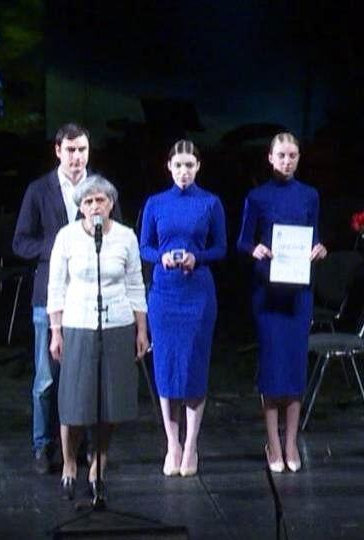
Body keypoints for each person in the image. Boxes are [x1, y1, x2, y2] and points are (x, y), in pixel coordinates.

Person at [46, 175, 149, 500]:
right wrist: (56, 331)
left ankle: (99, 464)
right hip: (78, 324)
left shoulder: (126, 237)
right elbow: (56, 287)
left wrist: (141, 329)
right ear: (80, 207)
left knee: (109, 402)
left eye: (100, 200)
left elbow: (135, 285)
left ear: (111, 204)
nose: (94, 207)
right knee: (75, 401)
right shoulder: (67, 237)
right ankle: (69, 463)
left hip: (117, 324)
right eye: (88, 202)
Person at [236, 132, 327, 473]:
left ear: (299, 158)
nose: (287, 161)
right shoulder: (257, 196)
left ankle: (291, 442)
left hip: (299, 293)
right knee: (273, 368)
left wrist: (320, 249)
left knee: (295, 367)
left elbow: (315, 236)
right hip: (268, 292)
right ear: (270, 158)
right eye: (281, 155)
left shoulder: (310, 195)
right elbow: (242, 241)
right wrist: (254, 249)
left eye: (292, 156)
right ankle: (273, 443)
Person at [139, 140, 227, 477]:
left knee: (193, 366)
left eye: (189, 165)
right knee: (166, 368)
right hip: (164, 294)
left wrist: (197, 257)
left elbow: (220, 247)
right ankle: (172, 444)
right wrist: (160, 257)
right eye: (178, 165)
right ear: (169, 167)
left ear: (198, 166)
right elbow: (144, 246)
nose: (184, 171)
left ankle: (191, 446)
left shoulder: (210, 202)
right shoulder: (155, 203)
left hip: (197, 294)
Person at [13, 123, 91, 474]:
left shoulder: (98, 189)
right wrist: (58, 248)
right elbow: (20, 242)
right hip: (49, 296)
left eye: (82, 150)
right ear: (58, 151)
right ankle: (43, 444)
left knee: (84, 376)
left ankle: (81, 444)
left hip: (87, 297)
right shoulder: (39, 190)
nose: (77, 157)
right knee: (46, 378)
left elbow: (117, 231)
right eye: (71, 150)